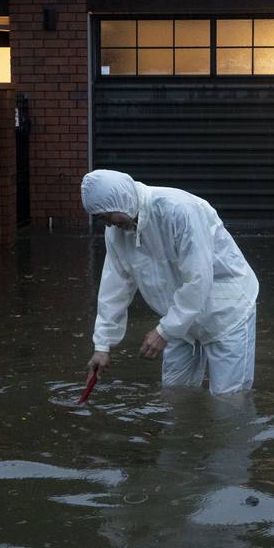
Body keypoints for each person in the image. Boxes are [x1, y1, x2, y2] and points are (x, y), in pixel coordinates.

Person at [81, 169, 259, 395]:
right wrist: (102, 346)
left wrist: (164, 331)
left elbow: (198, 279)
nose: (107, 224)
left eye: (107, 216)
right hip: (178, 316)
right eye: (100, 219)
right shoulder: (118, 230)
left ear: (123, 200)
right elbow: (114, 287)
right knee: (175, 394)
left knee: (229, 399)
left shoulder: (179, 210)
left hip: (225, 311)